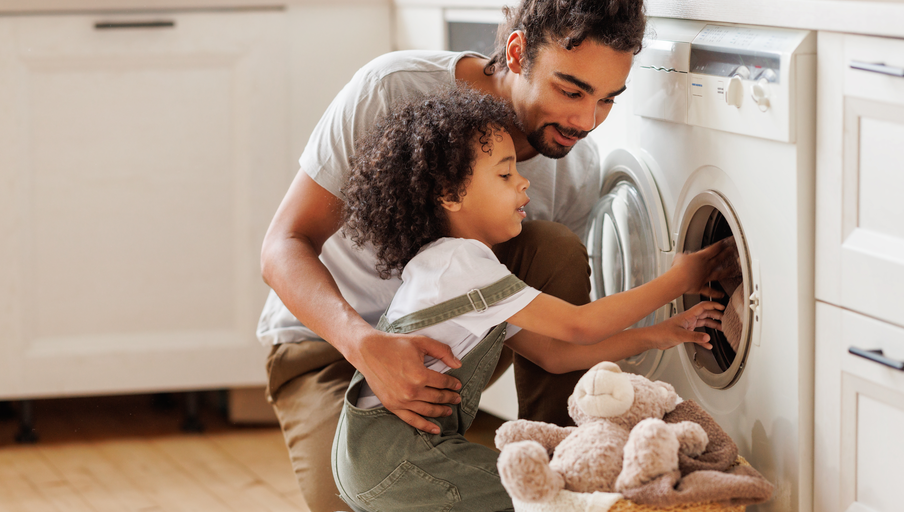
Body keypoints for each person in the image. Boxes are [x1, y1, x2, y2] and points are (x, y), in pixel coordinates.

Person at [258, 1, 699, 510]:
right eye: (570, 90)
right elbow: (282, 246)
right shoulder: (393, 89)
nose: (586, 120)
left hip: (452, 356)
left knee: (552, 246)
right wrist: (366, 345)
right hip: (326, 347)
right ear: (517, 52)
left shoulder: (573, 170)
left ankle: (564, 464)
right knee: (371, 493)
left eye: (607, 100)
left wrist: (658, 332)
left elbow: (556, 340)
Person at [333, 85, 730, 512]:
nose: (523, 181)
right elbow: (580, 324)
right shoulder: (460, 264)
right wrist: (680, 277)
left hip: (374, 456)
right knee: (550, 496)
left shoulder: (455, 268)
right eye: (504, 175)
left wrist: (659, 334)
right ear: (450, 195)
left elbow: (554, 356)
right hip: (398, 458)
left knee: (541, 492)